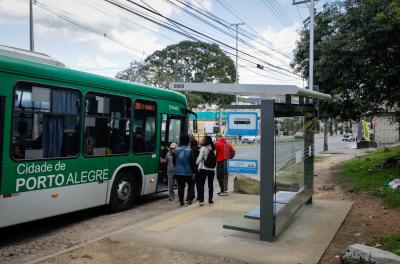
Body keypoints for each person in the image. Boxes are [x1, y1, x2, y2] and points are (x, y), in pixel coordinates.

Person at [173, 134, 196, 206]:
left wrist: (177, 169)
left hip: (178, 172)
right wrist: (194, 172)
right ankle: (189, 199)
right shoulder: (190, 151)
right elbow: (192, 163)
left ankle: (181, 202)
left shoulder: (175, 150)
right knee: (191, 185)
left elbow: (174, 162)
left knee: (180, 187)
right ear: (188, 141)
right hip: (188, 172)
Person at [196, 136, 216, 206]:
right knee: (210, 185)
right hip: (212, 169)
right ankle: (210, 201)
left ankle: (201, 200)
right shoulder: (213, 148)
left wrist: (196, 163)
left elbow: (199, 159)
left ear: (206, 141)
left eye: (203, 140)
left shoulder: (203, 148)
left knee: (201, 185)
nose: (202, 140)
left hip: (203, 169)